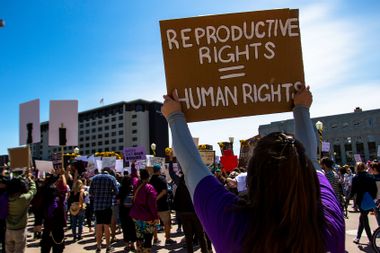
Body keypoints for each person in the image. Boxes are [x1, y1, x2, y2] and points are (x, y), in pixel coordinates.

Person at [161, 87, 345, 253]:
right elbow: (311, 160)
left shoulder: (232, 224)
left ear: (253, 177)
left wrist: (175, 116)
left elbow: (192, 167)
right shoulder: (328, 222)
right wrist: (301, 109)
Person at [89, 168, 119, 253]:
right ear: (108, 172)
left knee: (98, 226)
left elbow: (90, 192)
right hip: (107, 205)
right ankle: (108, 246)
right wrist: (109, 193)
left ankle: (98, 246)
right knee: (106, 226)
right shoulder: (111, 178)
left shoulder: (94, 178)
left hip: (97, 206)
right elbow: (117, 191)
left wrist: (97, 195)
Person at [6, 172, 36, 253]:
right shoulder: (23, 198)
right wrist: (31, 180)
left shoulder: (6, 198)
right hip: (20, 230)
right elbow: (33, 191)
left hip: (8, 229)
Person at [130, 169, 159, 253]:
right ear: (148, 177)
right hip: (148, 217)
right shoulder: (150, 188)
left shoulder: (136, 184)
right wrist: (156, 217)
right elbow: (152, 205)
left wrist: (133, 165)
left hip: (136, 216)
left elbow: (133, 176)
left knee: (139, 237)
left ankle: (139, 250)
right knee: (148, 237)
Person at [349, 162, 377, 245]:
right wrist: (372, 198)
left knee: (364, 220)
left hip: (360, 201)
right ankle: (358, 237)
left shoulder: (356, 178)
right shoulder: (370, 176)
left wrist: (348, 199)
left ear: (357, 168)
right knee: (362, 218)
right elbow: (374, 189)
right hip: (369, 200)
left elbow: (353, 191)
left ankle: (371, 239)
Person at [149, 164, 176, 245]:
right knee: (167, 223)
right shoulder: (162, 179)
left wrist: (153, 200)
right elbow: (164, 191)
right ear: (159, 170)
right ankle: (167, 239)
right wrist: (156, 199)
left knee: (154, 223)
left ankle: (155, 239)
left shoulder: (150, 180)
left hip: (153, 206)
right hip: (163, 204)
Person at [118, 175, 137, 251]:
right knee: (132, 228)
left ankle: (127, 245)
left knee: (125, 228)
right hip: (132, 211)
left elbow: (118, 201)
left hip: (123, 211)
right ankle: (132, 245)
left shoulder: (120, 189)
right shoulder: (132, 189)